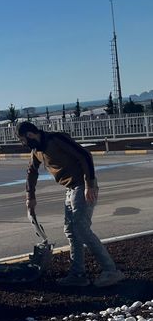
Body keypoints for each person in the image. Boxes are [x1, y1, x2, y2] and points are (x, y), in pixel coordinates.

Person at [18, 121, 124, 287]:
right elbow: (31, 171)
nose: (23, 144)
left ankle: (111, 271)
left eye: (22, 140)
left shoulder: (56, 139)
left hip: (82, 186)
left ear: (30, 135)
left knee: (81, 228)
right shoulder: (36, 151)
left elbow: (85, 156)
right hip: (70, 189)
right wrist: (30, 196)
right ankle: (77, 274)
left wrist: (89, 184)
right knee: (71, 231)